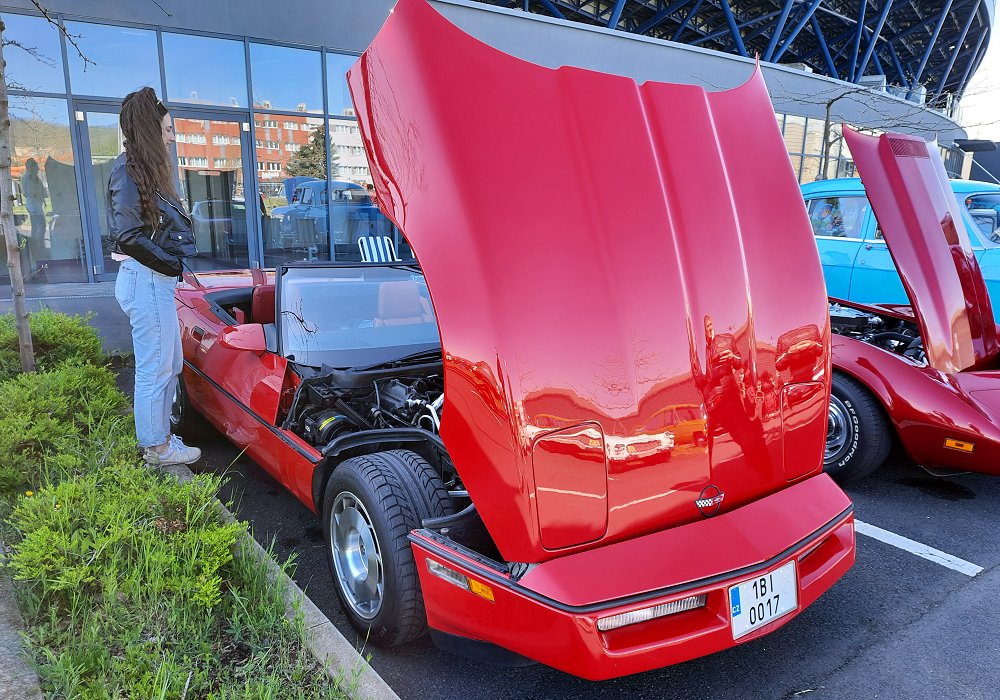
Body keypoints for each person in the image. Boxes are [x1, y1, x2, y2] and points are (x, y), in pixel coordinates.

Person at [109, 87, 201, 466]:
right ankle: (157, 447)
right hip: (146, 279)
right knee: (156, 367)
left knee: (168, 364)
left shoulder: (141, 171)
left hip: (152, 280)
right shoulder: (128, 171)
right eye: (166, 129)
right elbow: (127, 236)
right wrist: (172, 264)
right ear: (150, 129)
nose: (171, 136)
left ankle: (160, 438)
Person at [22, 158, 47, 241]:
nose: (37, 170)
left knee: (36, 225)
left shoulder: (35, 178)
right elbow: (31, 192)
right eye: (36, 168)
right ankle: (38, 243)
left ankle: (36, 243)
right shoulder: (28, 178)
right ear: (31, 168)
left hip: (36, 204)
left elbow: (43, 191)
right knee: (41, 224)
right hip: (33, 204)